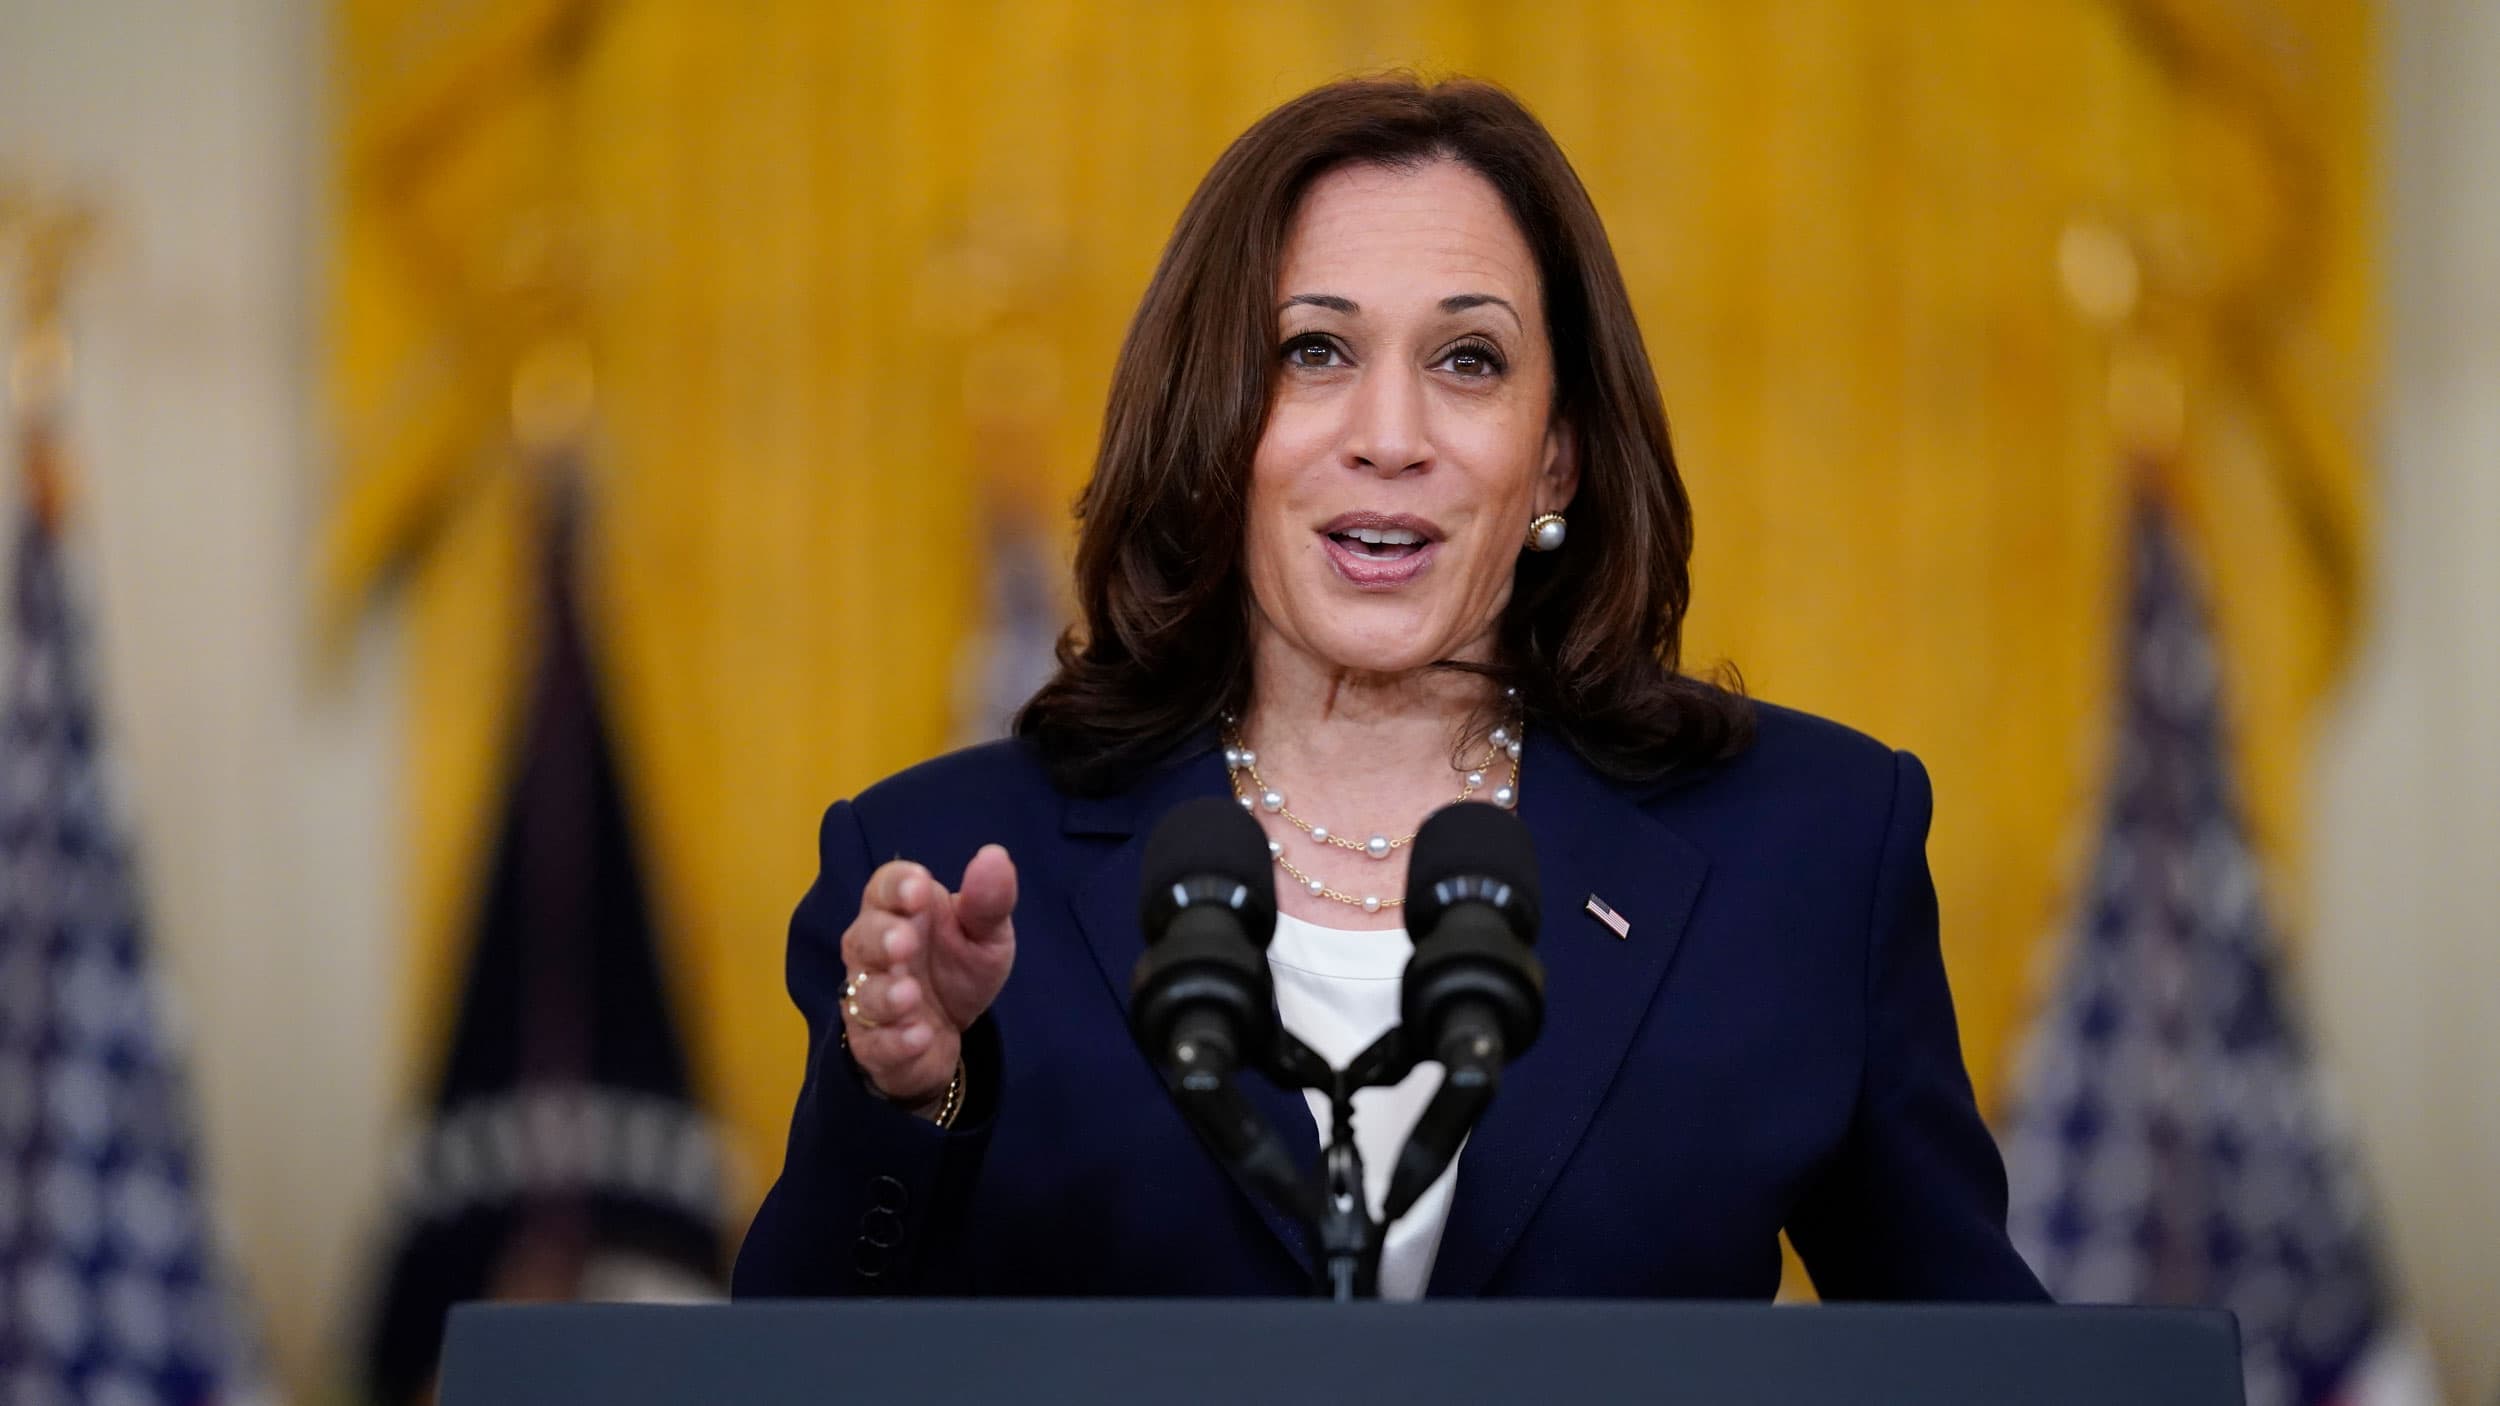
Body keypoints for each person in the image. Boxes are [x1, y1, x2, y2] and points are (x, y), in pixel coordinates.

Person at [732, 74, 2048, 1302]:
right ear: (1213, 423)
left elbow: (1977, 1365)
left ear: (1558, 457)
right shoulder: (944, 864)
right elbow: (795, 1367)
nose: (1391, 436)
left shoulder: (1808, 851)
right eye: (1315, 351)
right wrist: (908, 1096)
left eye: (1468, 359)